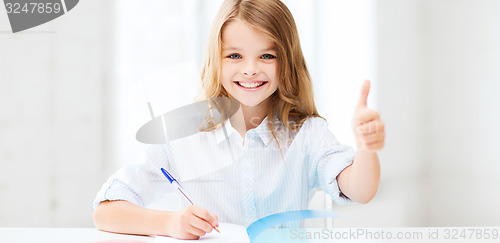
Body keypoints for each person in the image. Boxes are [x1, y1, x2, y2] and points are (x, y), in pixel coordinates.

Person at [93, 0, 385, 240]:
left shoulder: (306, 133)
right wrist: (169, 223)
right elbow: (105, 211)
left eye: (267, 56)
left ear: (288, 62)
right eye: (234, 55)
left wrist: (366, 147)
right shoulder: (185, 133)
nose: (250, 69)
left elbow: (360, 190)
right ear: (215, 61)